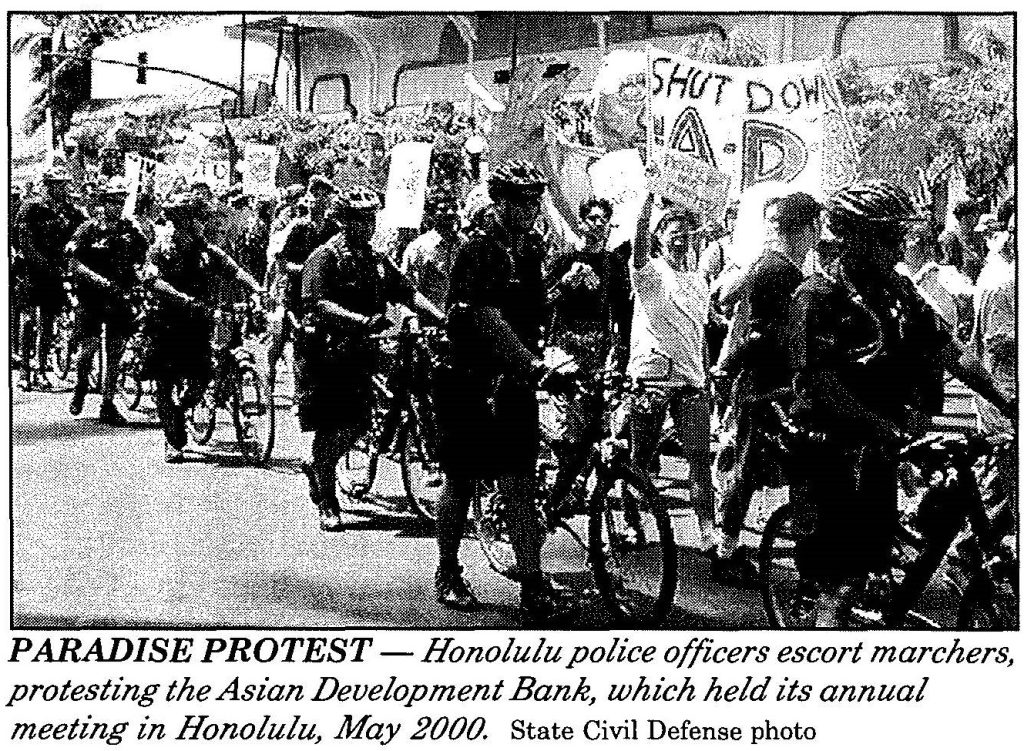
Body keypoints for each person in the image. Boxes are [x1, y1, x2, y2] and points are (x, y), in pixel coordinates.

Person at [784, 180, 1015, 627]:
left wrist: (1006, 400)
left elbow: (948, 349)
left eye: (898, 236)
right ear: (851, 239)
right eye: (885, 237)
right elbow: (821, 383)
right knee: (841, 576)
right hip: (833, 443)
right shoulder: (816, 297)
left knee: (890, 541)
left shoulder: (898, 288)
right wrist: (877, 424)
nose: (897, 247)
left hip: (885, 440)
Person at [432, 160, 571, 621]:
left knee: (519, 482)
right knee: (461, 477)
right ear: (501, 201)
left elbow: (530, 309)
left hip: (514, 382)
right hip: (469, 378)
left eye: (536, 200)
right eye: (522, 200)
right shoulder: (478, 250)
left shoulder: (530, 248)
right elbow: (488, 317)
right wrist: (532, 363)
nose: (531, 209)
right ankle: (448, 570)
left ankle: (531, 580)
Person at [296, 186, 443, 532]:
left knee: (361, 421)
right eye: (358, 219)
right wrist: (360, 321)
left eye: (369, 219)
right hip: (326, 356)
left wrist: (441, 317)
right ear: (342, 221)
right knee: (336, 424)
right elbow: (317, 303)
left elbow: (408, 292)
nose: (366, 225)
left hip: (365, 351)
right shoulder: (324, 257)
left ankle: (320, 463)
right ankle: (327, 499)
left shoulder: (377, 259)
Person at [712, 192, 821, 584]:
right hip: (764, 387)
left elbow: (733, 308)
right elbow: (751, 327)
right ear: (809, 229)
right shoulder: (780, 272)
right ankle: (726, 554)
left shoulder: (772, 266)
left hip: (766, 385)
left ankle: (743, 546)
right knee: (746, 468)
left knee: (760, 467)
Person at [140, 192, 264, 463]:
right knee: (164, 382)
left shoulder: (205, 250)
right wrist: (185, 301)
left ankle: (180, 409)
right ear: (182, 221)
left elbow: (234, 270)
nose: (202, 223)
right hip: (165, 323)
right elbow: (154, 281)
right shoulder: (161, 248)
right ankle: (173, 440)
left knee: (200, 381)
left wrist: (256, 289)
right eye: (197, 218)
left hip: (198, 324)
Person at [627, 193, 716, 551]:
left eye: (686, 231)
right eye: (672, 232)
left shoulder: (698, 281)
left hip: (690, 380)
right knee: (640, 460)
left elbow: (700, 334)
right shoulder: (649, 274)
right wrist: (650, 197)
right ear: (659, 237)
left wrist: (707, 377)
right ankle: (632, 522)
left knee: (699, 458)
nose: (680, 237)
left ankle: (707, 527)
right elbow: (638, 240)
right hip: (652, 379)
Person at [544, 197, 632, 507]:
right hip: (564, 348)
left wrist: (621, 355)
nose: (596, 224)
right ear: (582, 223)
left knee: (599, 422)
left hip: (597, 351)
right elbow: (540, 300)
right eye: (591, 218)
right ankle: (563, 483)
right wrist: (565, 284)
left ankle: (582, 482)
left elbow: (624, 312)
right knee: (571, 421)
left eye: (602, 220)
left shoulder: (614, 264)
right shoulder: (564, 258)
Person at [66, 178, 149, 424]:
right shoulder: (88, 228)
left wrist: (138, 279)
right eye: (111, 200)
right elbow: (75, 263)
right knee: (87, 350)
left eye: (120, 201)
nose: (116, 205)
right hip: (91, 297)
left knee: (114, 352)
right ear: (103, 203)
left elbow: (143, 258)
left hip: (119, 296)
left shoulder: (130, 229)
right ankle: (81, 385)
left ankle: (107, 401)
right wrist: (99, 280)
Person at [14, 164, 87, 389]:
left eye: (63, 184)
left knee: (47, 322)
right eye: (55, 184)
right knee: (29, 320)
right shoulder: (31, 208)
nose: (60, 188)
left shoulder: (71, 210)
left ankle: (42, 367)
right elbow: (25, 241)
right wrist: (41, 263)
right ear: (46, 185)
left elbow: (83, 230)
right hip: (31, 270)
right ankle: (25, 371)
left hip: (57, 269)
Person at [267, 176, 344, 390]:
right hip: (296, 292)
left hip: (325, 291)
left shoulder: (334, 228)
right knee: (281, 334)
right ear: (310, 197)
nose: (322, 200)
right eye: (318, 195)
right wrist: (306, 270)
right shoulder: (298, 228)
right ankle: (271, 372)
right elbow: (281, 263)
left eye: (326, 195)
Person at [401, 203, 463, 310]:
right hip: (429, 318)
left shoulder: (465, 244)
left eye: (453, 207)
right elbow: (406, 289)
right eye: (443, 209)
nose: (450, 213)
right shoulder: (418, 247)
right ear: (431, 213)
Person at [939, 199, 986, 282]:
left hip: (980, 282)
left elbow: (983, 261)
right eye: (974, 214)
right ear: (964, 216)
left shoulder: (979, 238)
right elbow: (947, 266)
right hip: (959, 283)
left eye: (978, 214)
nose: (977, 217)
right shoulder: (950, 238)